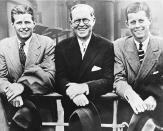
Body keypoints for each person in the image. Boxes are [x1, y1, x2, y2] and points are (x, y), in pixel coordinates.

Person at [56, 3, 114, 131]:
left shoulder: (107, 46)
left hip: (99, 111)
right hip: (72, 110)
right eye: (77, 20)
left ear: (93, 21)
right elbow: (59, 77)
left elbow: (109, 80)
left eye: (85, 20)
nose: (81, 24)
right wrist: (73, 94)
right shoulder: (61, 47)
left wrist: (84, 88)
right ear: (71, 23)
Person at [0, 4, 55, 131]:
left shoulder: (47, 43)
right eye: (19, 22)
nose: (24, 27)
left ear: (34, 23)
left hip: (42, 106)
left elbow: (49, 76)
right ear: (13, 24)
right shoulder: (3, 46)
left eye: (27, 22)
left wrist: (21, 87)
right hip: (14, 107)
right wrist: (12, 91)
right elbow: (1, 77)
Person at [114, 1, 163, 131]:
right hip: (128, 106)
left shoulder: (161, 45)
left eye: (141, 21)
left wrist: (155, 96)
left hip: (157, 106)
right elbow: (118, 78)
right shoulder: (118, 46)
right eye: (133, 22)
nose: (137, 26)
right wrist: (130, 95)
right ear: (127, 24)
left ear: (149, 21)